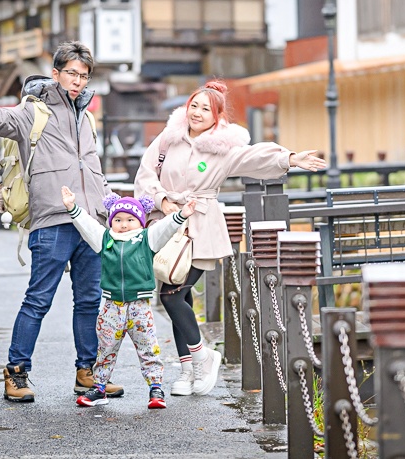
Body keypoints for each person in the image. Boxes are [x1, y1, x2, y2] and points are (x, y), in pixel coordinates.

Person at [0, 41, 117, 403]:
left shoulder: (87, 116)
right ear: (56, 73)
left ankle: (87, 373)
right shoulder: (35, 111)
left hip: (91, 224)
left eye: (84, 75)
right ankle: (16, 372)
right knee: (38, 300)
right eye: (72, 73)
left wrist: (111, 209)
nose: (78, 81)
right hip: (52, 220)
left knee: (89, 300)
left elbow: (93, 168)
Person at [133, 79, 326, 396]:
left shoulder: (222, 147)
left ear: (216, 116)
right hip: (167, 223)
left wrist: (290, 158)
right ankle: (188, 370)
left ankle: (203, 358)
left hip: (201, 226)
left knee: (172, 294)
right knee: (175, 294)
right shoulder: (168, 139)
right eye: (193, 105)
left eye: (205, 109)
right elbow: (145, 173)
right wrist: (161, 200)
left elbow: (255, 157)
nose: (197, 112)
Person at [61, 186, 196, 409]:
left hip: (139, 306)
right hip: (111, 306)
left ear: (140, 222)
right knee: (105, 348)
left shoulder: (147, 239)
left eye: (130, 220)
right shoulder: (104, 239)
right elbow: (87, 226)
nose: (124, 225)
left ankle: (155, 388)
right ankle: (100, 387)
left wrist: (181, 215)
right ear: (111, 221)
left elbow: (165, 227)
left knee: (148, 348)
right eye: (118, 219)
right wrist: (72, 208)